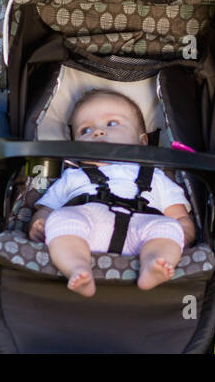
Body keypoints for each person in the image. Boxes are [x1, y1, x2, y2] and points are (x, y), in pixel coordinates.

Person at [28, 90, 196, 295]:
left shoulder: (156, 176)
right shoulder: (73, 176)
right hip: (87, 228)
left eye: (112, 124)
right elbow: (46, 209)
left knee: (168, 227)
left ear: (142, 142)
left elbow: (179, 217)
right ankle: (77, 268)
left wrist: (183, 235)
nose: (97, 132)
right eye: (85, 130)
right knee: (61, 219)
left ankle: (154, 264)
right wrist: (40, 222)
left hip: (142, 231)